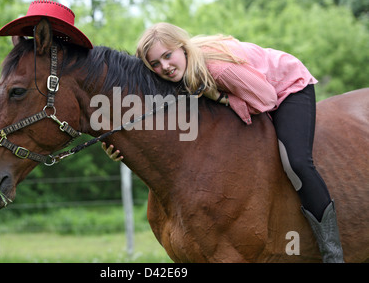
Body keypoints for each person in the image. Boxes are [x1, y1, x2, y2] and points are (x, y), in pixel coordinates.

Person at [103, 22, 344, 262]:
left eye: (168, 56)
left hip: (285, 87)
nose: (164, 67)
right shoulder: (176, 72)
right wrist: (119, 145)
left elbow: (267, 99)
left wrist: (219, 97)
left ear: (182, 48)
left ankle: (332, 252)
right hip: (255, 89)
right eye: (155, 63)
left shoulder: (217, 70)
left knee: (297, 162)